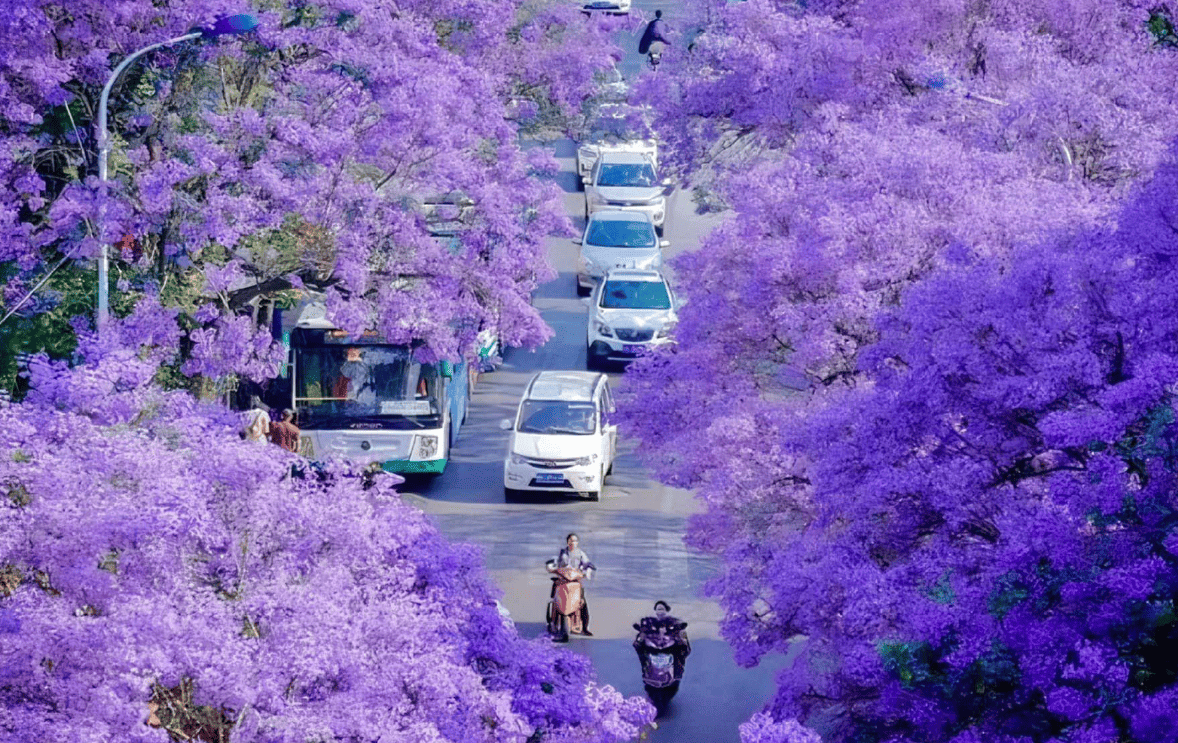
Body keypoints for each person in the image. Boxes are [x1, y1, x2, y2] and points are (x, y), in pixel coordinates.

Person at [547, 533, 595, 636]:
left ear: (577, 542)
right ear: (567, 542)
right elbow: (555, 562)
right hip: (562, 579)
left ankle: (585, 628)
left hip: (575, 580)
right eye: (571, 540)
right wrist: (552, 567)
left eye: (575, 541)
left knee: (582, 603)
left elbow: (587, 563)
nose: (573, 543)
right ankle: (553, 623)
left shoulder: (581, 553)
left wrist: (588, 570)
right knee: (555, 598)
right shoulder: (562, 552)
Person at [634, 600, 691, 674]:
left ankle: (678, 671)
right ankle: (645, 667)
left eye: (662, 609)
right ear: (655, 611)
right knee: (639, 646)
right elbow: (643, 627)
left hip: (669, 645)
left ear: (666, 610)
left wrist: (679, 632)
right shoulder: (650, 621)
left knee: (682, 649)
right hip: (654, 645)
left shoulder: (672, 621)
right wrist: (641, 633)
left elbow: (680, 626)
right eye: (658, 609)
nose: (660, 612)